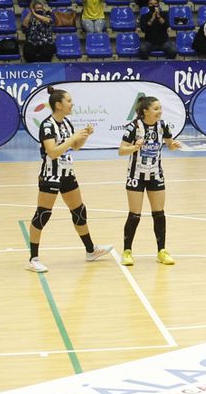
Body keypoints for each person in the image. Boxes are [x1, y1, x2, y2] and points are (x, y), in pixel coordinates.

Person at [26, 88, 113, 274]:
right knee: (43, 214)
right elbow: (53, 152)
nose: (72, 104)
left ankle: (91, 251)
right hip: (51, 175)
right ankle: (33, 259)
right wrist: (73, 138)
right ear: (58, 105)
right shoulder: (47, 126)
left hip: (67, 173)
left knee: (79, 211)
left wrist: (83, 137)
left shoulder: (66, 123)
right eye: (69, 101)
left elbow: (75, 147)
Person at [117, 96, 184, 267]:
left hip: (155, 174)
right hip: (136, 175)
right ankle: (127, 251)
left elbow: (168, 143)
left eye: (160, 108)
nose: (159, 111)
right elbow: (121, 151)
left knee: (159, 213)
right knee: (135, 215)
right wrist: (135, 147)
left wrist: (173, 145)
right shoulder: (134, 127)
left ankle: (161, 251)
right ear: (145, 111)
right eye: (155, 108)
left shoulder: (163, 126)